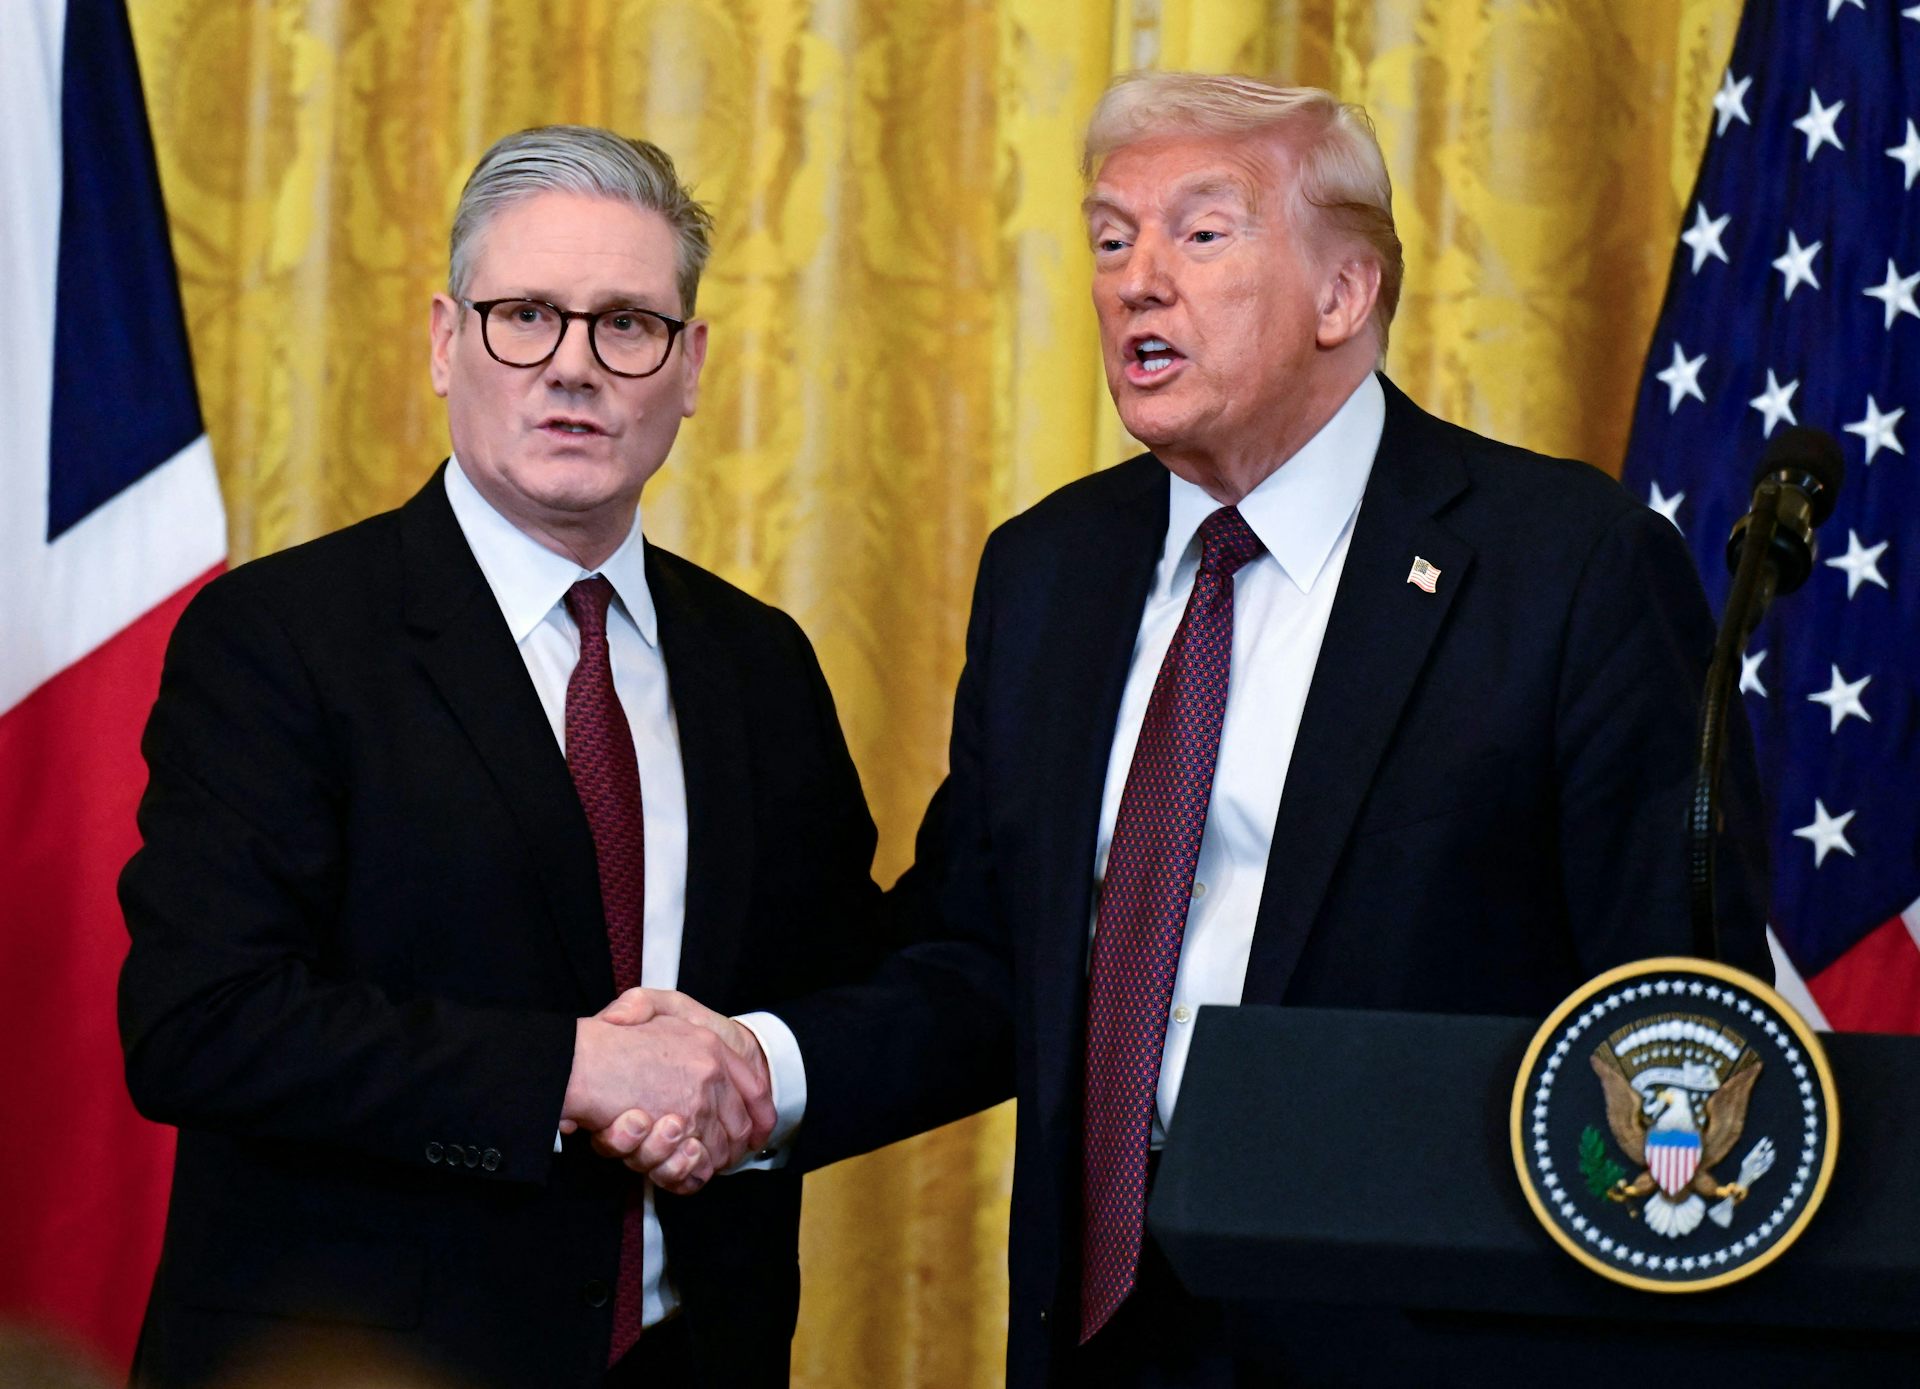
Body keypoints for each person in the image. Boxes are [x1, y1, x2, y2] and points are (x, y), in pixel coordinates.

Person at [600, 72, 1771, 1386]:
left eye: (1201, 235)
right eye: (1111, 238)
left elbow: (1670, 1007)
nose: (1136, 281)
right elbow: (985, 954)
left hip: (1423, 1340)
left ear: (1346, 293)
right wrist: (761, 1067)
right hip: (1104, 1327)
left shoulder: (1568, 569)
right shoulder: (1051, 570)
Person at [117, 126, 884, 1388]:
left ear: (689, 367)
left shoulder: (760, 662)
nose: (572, 368)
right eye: (525, 315)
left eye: (626, 325)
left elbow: (838, 990)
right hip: (357, 1361)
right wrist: (581, 1071)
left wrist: (748, 1075)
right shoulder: (281, 636)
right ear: (443, 341)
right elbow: (204, 1024)